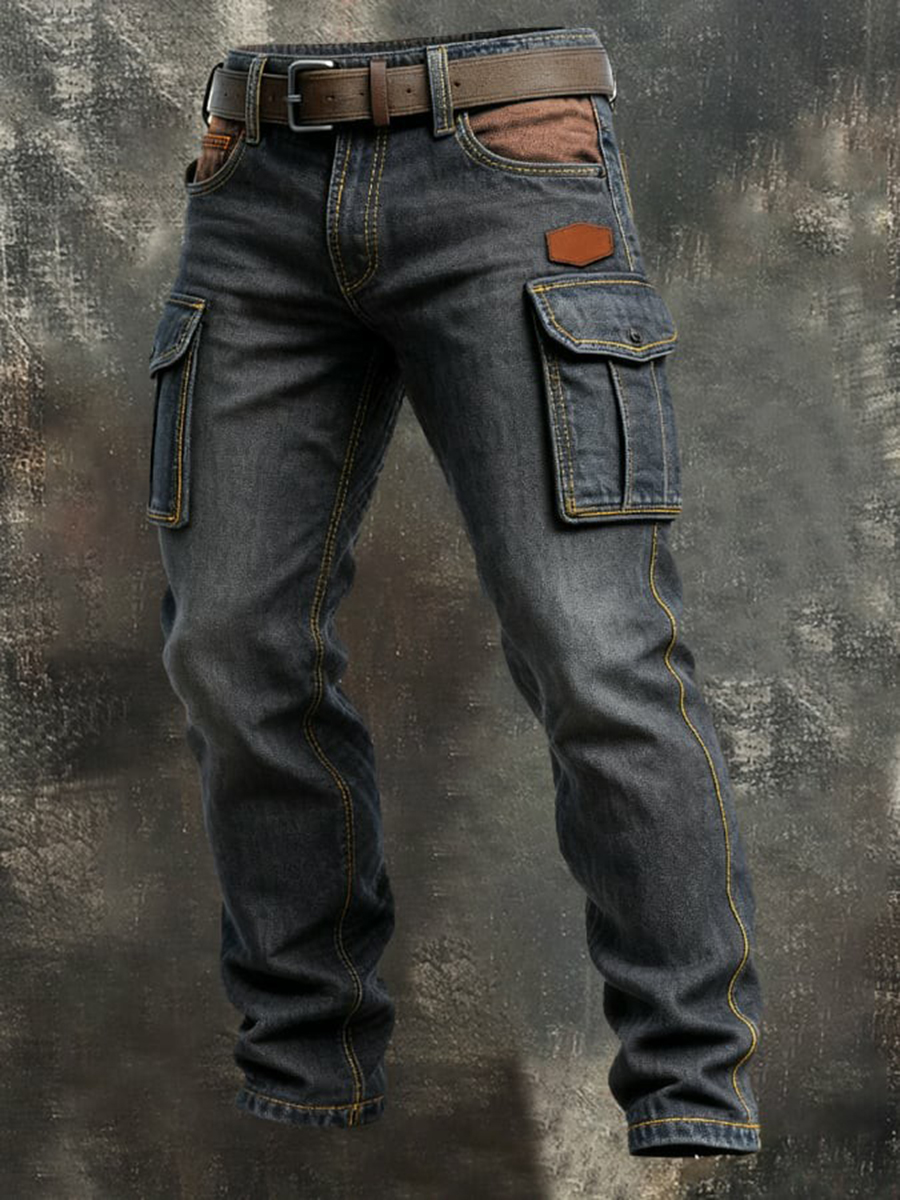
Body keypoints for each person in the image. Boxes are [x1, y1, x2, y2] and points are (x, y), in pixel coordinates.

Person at [146, 24, 764, 1155]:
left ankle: (692, 1083)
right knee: (227, 647)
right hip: (255, 170)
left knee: (592, 645)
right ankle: (306, 1068)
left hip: (510, 154)